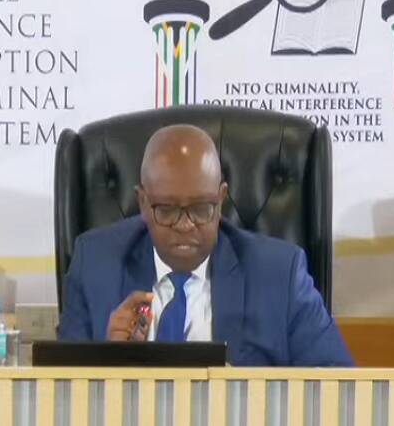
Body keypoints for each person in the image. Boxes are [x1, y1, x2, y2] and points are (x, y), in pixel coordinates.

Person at [58, 124, 353, 367]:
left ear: (221, 199)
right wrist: (107, 360)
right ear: (143, 202)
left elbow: (337, 387)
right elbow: (61, 393)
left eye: (201, 209)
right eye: (167, 210)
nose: (185, 225)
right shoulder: (95, 264)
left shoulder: (279, 274)